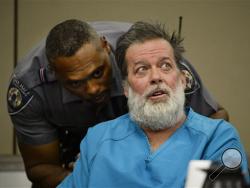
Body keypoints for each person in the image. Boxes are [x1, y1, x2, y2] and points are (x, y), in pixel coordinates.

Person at [7, 19, 228, 187]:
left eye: (98, 73)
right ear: (55, 75)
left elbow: (216, 120)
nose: (93, 90)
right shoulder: (30, 88)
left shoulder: (148, 56)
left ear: (106, 47)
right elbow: (39, 168)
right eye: (75, 83)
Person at [57, 21, 249, 188]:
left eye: (165, 65)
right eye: (141, 69)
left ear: (182, 79)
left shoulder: (215, 139)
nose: (156, 77)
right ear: (126, 88)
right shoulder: (97, 140)